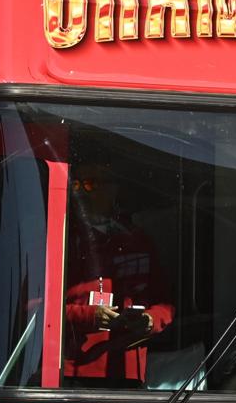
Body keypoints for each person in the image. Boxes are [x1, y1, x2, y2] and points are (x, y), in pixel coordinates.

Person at [62, 164, 173, 385]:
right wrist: (89, 316)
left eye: (91, 184)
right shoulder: (63, 239)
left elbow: (165, 303)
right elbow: (36, 310)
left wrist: (150, 321)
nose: (82, 192)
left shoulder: (138, 240)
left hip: (128, 371)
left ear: (114, 189)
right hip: (75, 371)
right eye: (76, 185)